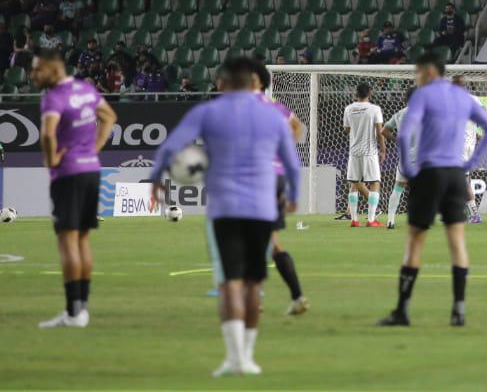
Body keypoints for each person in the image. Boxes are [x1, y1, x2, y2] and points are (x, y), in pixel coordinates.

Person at [149, 57, 301, 377]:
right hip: (262, 208)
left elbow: (171, 147)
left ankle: (234, 358)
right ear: (253, 82)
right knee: (252, 284)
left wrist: (157, 178)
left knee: (230, 282)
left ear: (224, 82)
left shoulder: (207, 112)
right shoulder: (273, 114)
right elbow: (291, 161)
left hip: (225, 209)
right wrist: (294, 197)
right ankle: (248, 357)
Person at [378, 53, 487, 328]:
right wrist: (471, 162)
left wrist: (409, 168)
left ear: (429, 72)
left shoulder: (423, 96)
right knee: (457, 242)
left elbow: (405, 134)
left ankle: (402, 310)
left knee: (415, 240)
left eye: (418, 73)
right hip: (455, 173)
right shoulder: (463, 97)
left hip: (428, 173)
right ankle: (458, 311)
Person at [33, 49, 117, 329]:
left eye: (37, 70)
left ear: (53, 70)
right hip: (91, 170)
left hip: (67, 174)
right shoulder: (85, 89)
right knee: (82, 240)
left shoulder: (53, 98)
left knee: (68, 242)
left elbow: (47, 132)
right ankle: (81, 311)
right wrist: (95, 148)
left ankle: (73, 312)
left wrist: (51, 158)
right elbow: (109, 117)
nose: (33, 76)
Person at [251, 60, 309, 315]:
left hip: (256, 177)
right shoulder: (277, 108)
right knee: (273, 241)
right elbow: (298, 127)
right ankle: (297, 297)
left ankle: (255, 299)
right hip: (276, 177)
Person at [342, 83, 385, 227]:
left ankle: (354, 220)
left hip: (354, 152)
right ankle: (371, 219)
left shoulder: (349, 108)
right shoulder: (375, 109)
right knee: (375, 183)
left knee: (354, 183)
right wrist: (383, 150)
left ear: (356, 93)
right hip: (369, 152)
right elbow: (380, 132)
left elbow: (346, 129)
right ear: (370, 93)